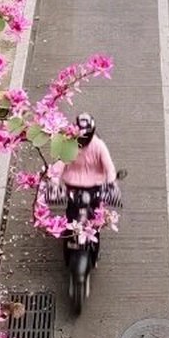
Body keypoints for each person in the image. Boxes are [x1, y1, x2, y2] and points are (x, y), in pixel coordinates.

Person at [60, 113, 118, 264]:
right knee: (71, 217)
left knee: (94, 221)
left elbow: (110, 168)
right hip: (73, 188)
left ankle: (95, 253)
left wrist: (111, 183)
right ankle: (66, 250)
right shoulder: (69, 145)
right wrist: (52, 179)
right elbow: (59, 164)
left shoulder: (98, 146)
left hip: (95, 188)